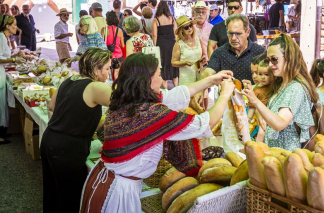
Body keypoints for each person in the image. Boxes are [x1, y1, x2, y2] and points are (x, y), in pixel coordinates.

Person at [79, 53, 235, 213]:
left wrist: (211, 80)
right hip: (117, 192)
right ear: (146, 80)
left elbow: (175, 95)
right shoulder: (151, 113)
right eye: (159, 75)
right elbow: (205, 123)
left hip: (104, 181)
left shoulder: (128, 99)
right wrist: (224, 95)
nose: (162, 80)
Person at [41, 48, 112, 213]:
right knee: (70, 200)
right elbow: (125, 105)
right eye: (107, 68)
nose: (109, 73)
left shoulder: (69, 80)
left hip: (49, 139)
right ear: (96, 70)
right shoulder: (96, 87)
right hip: (68, 148)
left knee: (52, 194)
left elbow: (51, 106)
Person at [242, 33, 318, 150]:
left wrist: (255, 101)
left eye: (274, 59)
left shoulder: (296, 87)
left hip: (286, 157)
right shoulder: (281, 83)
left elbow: (280, 123)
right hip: (275, 156)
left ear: (289, 57)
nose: (270, 65)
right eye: (268, 60)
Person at [201, 14, 265, 83]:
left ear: (248, 32)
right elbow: (209, 72)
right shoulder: (219, 53)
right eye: (230, 33)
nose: (234, 38)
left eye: (238, 34)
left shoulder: (260, 52)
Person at [0, 15, 25, 145]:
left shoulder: (5, 37)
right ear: (7, 26)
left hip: (2, 73)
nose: (16, 27)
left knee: (2, 105)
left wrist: (15, 55)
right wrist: (14, 59)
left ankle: (2, 130)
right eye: (14, 25)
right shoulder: (0, 37)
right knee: (0, 106)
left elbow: (4, 55)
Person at [172, 16, 207, 86]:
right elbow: (173, 62)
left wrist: (203, 59)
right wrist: (185, 63)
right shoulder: (179, 44)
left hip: (199, 75)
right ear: (181, 30)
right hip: (186, 78)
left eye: (190, 25)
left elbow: (204, 54)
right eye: (186, 27)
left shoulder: (198, 39)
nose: (189, 28)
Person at [152, 0, 179, 89]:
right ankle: (176, 86)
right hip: (172, 44)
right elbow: (176, 33)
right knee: (173, 64)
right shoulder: (172, 19)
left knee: (163, 64)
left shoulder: (156, 20)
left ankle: (165, 87)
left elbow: (154, 35)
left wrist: (155, 47)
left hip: (161, 45)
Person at [247, 61, 275, 142]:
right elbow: (252, 106)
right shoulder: (256, 89)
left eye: (266, 74)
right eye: (260, 74)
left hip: (272, 115)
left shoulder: (274, 87)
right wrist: (248, 118)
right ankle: (257, 149)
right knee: (261, 132)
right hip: (262, 117)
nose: (263, 77)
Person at [103, 10, 125, 80]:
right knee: (117, 75)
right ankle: (117, 88)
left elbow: (102, 43)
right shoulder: (119, 30)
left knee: (108, 75)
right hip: (118, 56)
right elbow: (122, 45)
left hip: (107, 55)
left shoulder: (104, 30)